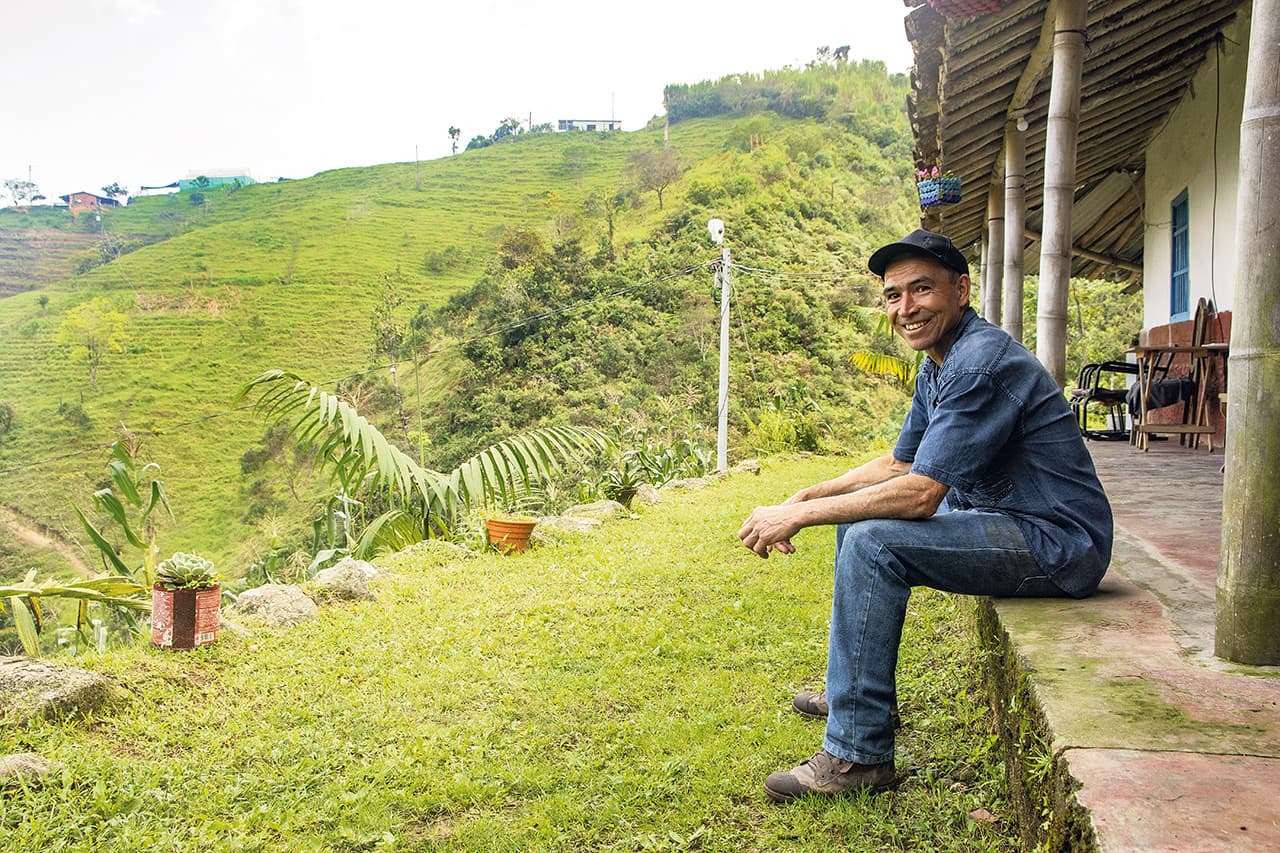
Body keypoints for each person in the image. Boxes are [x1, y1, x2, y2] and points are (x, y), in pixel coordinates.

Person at [738, 229, 1113, 803]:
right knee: (855, 524)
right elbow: (899, 463)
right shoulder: (942, 360)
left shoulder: (981, 363)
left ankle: (858, 756)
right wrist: (808, 498)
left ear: (960, 290)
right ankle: (851, 701)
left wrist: (799, 519)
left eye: (921, 290)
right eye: (893, 296)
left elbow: (920, 494)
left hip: (1058, 543)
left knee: (871, 542)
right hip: (1004, 516)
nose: (906, 308)